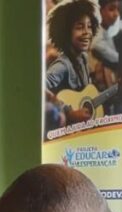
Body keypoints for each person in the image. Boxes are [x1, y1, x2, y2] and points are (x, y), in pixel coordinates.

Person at [44, 0, 100, 129]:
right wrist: (68, 112)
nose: (87, 32)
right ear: (65, 33)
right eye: (79, 27)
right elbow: (40, 88)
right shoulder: (62, 66)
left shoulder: (83, 58)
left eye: (89, 26)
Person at [90, 0, 122, 90]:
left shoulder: (111, 34)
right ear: (101, 11)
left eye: (118, 10)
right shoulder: (97, 37)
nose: (116, 14)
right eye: (111, 9)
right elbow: (115, 58)